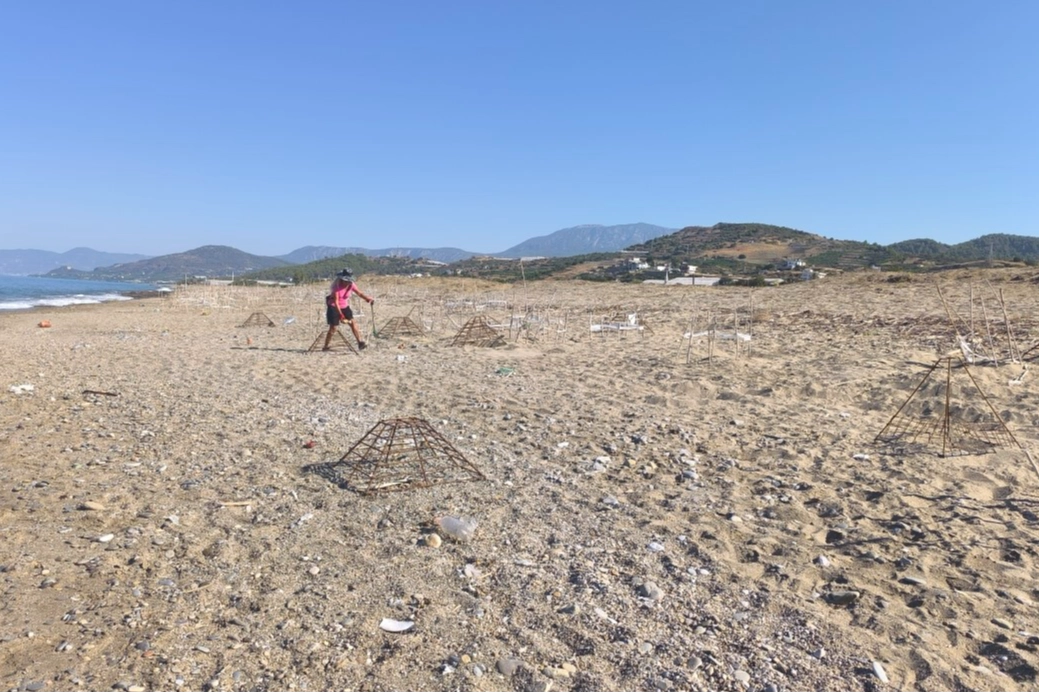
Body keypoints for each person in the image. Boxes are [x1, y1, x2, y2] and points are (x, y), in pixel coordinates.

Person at [323, 268, 374, 351]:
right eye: (345, 281)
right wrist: (341, 315)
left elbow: (359, 293)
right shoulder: (336, 286)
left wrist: (367, 298)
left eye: (348, 281)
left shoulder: (351, 285)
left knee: (353, 323)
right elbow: (336, 302)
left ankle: (360, 343)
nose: (347, 282)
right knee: (333, 328)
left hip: (345, 306)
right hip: (334, 306)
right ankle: (326, 346)